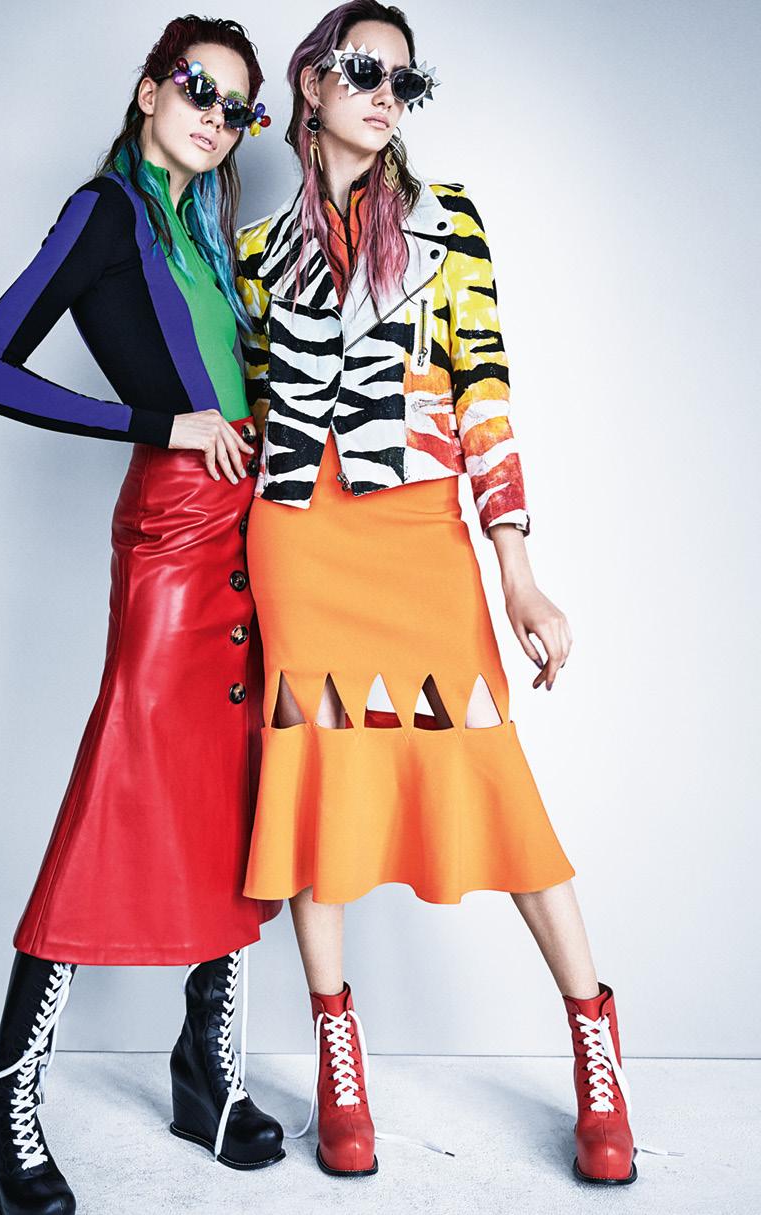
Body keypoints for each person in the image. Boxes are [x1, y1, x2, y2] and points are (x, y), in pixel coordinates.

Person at [235, 0, 640, 1186]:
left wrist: (517, 570)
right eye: (364, 71)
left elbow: (484, 393)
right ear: (311, 84)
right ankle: (338, 1054)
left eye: (403, 82)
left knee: (489, 769)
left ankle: (595, 1041)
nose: (385, 95)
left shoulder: (448, 221)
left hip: (417, 530)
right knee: (316, 782)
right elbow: (248, 412)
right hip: (299, 537)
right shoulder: (254, 255)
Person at [0, 16, 285, 1213]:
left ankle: (206, 1074)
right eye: (199, 88)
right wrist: (160, 425)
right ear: (149, 90)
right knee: (117, 797)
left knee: (240, 793)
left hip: (253, 536)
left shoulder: (206, 236)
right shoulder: (104, 214)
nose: (217, 117)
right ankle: (9, 1098)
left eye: (240, 106)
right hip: (172, 541)